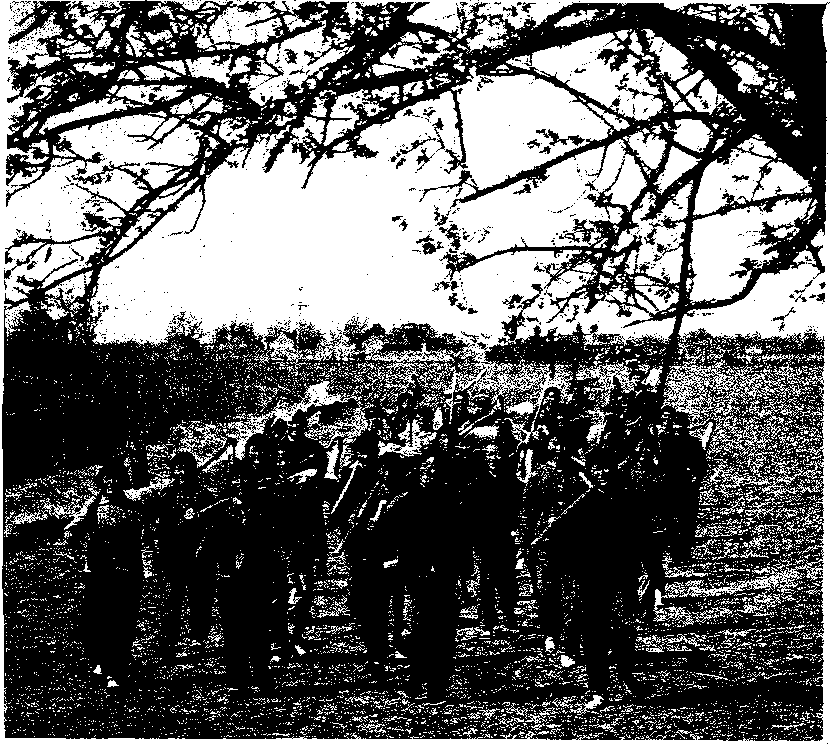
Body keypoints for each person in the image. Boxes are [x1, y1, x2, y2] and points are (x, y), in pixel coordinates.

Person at [397, 426, 466, 703]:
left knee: (443, 630)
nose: (430, 475)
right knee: (421, 628)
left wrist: (464, 575)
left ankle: (437, 685)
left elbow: (461, 540)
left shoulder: (452, 502)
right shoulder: (409, 502)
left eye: (435, 472)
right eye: (426, 471)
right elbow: (400, 538)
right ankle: (417, 680)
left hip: (445, 573)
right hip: (419, 573)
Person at [64, 459, 145, 688]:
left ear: (122, 480)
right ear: (101, 481)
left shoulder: (133, 504)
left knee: (124, 620)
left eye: (115, 478)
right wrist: (72, 537)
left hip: (128, 571)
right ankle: (104, 661)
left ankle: (116, 667)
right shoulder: (95, 504)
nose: (111, 482)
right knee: (100, 619)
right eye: (107, 478)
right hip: (101, 572)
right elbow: (75, 525)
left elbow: (144, 535)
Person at [150, 451, 221, 665]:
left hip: (200, 557)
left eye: (184, 469)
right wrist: (159, 553)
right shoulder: (167, 495)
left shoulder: (205, 496)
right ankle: (168, 642)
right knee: (171, 601)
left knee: (200, 599)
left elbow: (213, 528)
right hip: (173, 557)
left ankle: (198, 639)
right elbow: (158, 527)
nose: (180, 473)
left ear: (192, 470)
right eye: (176, 469)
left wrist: (204, 549)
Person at [279, 410, 328, 652]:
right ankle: (282, 639)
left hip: (308, 524)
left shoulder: (316, 450)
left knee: (306, 585)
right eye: (292, 425)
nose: (295, 428)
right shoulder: (276, 449)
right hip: (281, 525)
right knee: (282, 586)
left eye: (300, 425)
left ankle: (297, 636)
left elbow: (319, 479)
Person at [659, 411, 707, 564]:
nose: (678, 429)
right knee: (671, 520)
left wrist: (695, 479)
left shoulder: (693, 443)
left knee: (687, 520)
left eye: (681, 427)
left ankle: (684, 551)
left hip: (688, 487)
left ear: (687, 427)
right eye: (676, 426)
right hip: (669, 486)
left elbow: (702, 467)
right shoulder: (664, 442)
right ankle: (676, 552)